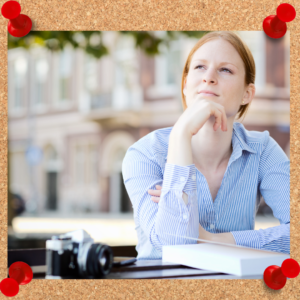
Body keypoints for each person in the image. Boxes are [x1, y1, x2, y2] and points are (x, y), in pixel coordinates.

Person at [122, 31, 290, 260]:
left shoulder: (262, 150)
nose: (209, 77)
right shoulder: (145, 154)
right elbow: (173, 246)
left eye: (225, 69)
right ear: (184, 83)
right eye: (200, 67)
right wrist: (181, 135)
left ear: (247, 94)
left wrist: (211, 239)